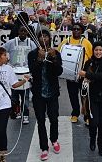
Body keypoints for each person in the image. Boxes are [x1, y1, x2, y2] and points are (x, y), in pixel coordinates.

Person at [28, 30, 63, 161]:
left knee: (54, 118)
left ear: (50, 38)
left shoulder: (55, 53)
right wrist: (39, 59)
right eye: (41, 37)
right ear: (37, 39)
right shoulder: (32, 54)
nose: (44, 39)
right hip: (38, 94)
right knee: (40, 121)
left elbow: (59, 71)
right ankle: (44, 147)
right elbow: (33, 71)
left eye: (46, 36)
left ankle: (54, 140)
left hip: (52, 93)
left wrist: (53, 59)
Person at [79, 41, 102, 158]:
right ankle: (92, 139)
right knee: (93, 123)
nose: (98, 52)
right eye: (96, 50)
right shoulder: (89, 63)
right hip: (92, 98)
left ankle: (101, 146)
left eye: (100, 50)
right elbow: (81, 77)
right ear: (93, 51)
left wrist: (87, 76)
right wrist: (83, 79)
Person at [58, 23, 93, 124]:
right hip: (70, 75)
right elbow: (59, 54)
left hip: (83, 75)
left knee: (84, 96)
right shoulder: (66, 42)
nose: (76, 31)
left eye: (78, 29)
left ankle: (87, 115)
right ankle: (75, 113)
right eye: (74, 29)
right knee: (73, 96)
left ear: (82, 31)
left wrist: (88, 72)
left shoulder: (86, 42)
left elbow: (91, 58)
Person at [3, 25, 36, 124]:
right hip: (14, 72)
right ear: (18, 32)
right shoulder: (11, 42)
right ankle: (17, 111)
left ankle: (25, 114)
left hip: (26, 72)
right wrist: (5, 59)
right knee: (14, 95)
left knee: (25, 95)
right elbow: (2, 50)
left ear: (27, 33)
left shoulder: (31, 43)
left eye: (24, 31)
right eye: (21, 31)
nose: (22, 33)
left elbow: (36, 53)